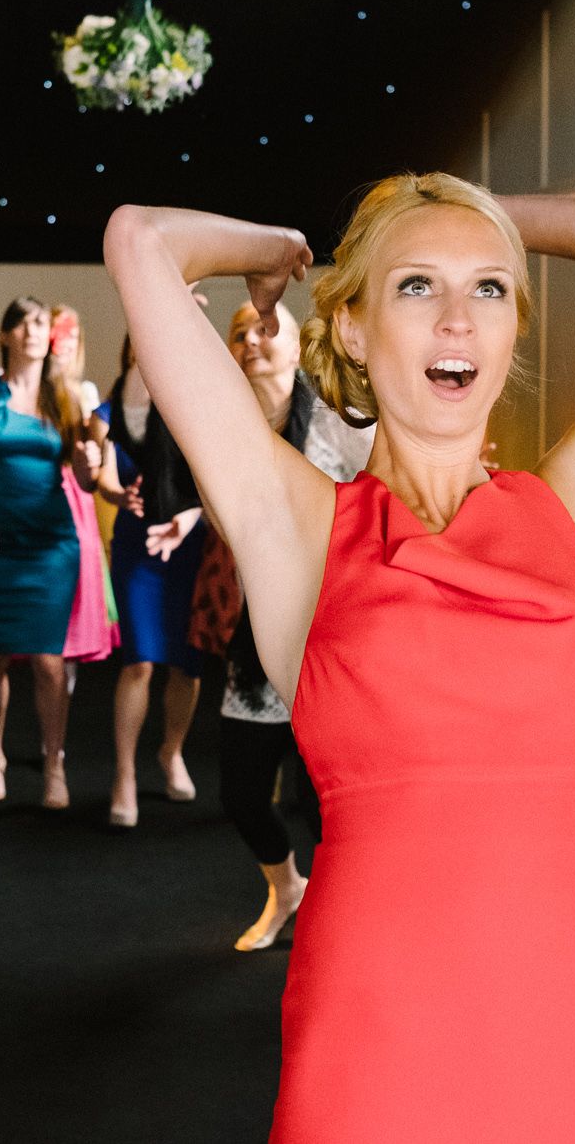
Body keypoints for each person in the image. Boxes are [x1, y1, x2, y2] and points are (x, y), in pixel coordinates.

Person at [105, 174, 575, 1141]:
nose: (457, 321)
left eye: (488, 290)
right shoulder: (298, 526)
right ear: (350, 327)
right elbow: (138, 237)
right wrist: (279, 247)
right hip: (379, 1029)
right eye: (417, 286)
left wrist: (487, 211)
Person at [198, 301, 372, 947]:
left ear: (300, 347)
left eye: (266, 327)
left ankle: (342, 915)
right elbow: (227, 527)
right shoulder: (229, 433)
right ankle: (285, 887)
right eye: (239, 331)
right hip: (262, 629)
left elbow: (388, 495)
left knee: (325, 799)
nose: (251, 338)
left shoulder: (339, 418)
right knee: (241, 792)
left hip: (339, 633)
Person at [0, 297, 97, 809]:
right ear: (6, 334)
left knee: (49, 664)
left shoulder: (65, 399)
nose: (33, 331)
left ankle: (54, 762)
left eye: (40, 323)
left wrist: (87, 463)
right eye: (23, 323)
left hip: (52, 546)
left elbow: (85, 480)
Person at [99, 334, 209, 827]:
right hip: (138, 545)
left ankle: (172, 752)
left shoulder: (193, 405)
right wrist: (119, 495)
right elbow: (103, 476)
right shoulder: (112, 409)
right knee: (140, 659)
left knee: (188, 664)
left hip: (190, 543)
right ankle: (123, 772)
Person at [48, 305, 119, 669]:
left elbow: (98, 449)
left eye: (74, 336)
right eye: (59, 333)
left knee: (76, 592)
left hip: (76, 495)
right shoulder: (28, 389)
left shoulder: (85, 392)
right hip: (43, 492)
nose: (67, 343)